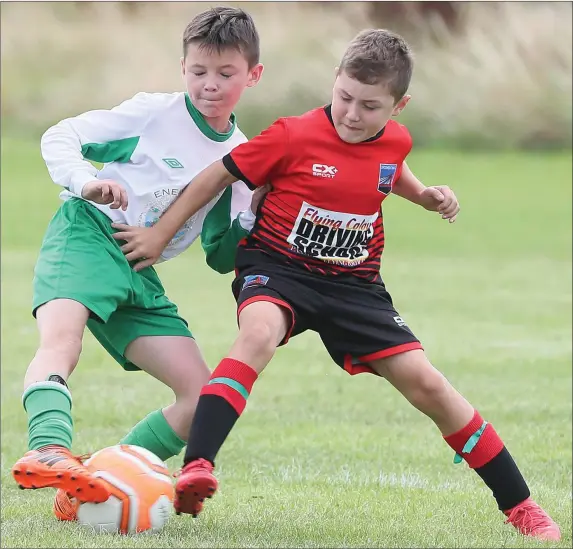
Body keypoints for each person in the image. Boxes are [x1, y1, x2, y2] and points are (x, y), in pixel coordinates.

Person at [112, 29, 561, 541]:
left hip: (354, 286)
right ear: (335, 81)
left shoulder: (395, 139)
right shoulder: (291, 135)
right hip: (278, 266)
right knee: (257, 334)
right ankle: (198, 467)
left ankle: (523, 507)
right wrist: (160, 233)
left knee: (430, 385)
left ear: (399, 105)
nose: (351, 113)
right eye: (344, 97)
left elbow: (389, 170)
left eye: (370, 106)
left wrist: (427, 196)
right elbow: (217, 175)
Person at [11, 6, 267, 523]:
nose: (209, 85)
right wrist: (86, 182)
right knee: (62, 341)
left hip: (139, 268)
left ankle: (100, 482)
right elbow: (59, 135)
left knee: (202, 394)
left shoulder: (241, 159)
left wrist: (253, 211)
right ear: (182, 69)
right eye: (198, 72)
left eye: (225, 74)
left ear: (253, 75)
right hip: (86, 232)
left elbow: (219, 256)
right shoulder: (155, 114)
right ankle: (48, 448)